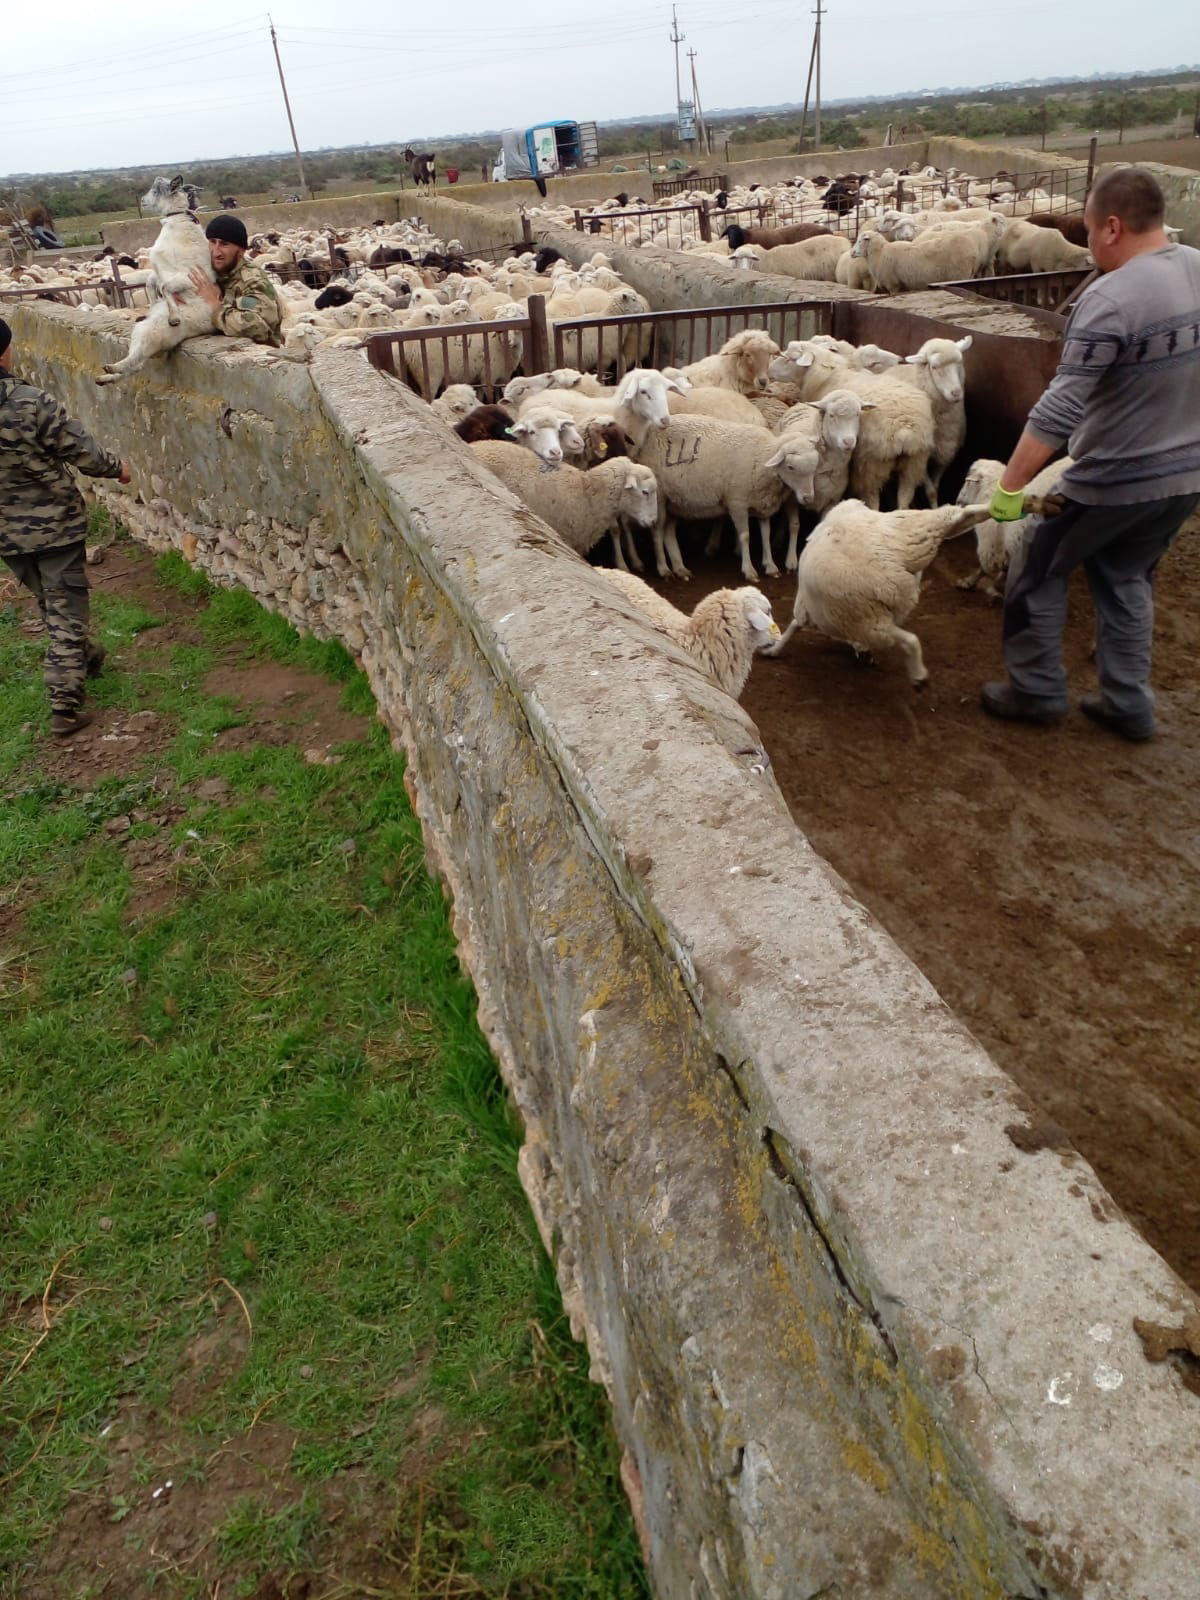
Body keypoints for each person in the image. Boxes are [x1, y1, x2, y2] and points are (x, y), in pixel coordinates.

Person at [980, 167, 1200, 742]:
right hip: (1186, 477)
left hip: (1115, 477)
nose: (1085, 242)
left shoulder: (1108, 299)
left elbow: (1059, 410)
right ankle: (1129, 702)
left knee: (1038, 566)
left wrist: (1009, 488)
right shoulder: (1199, 268)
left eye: (1086, 230)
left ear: (1111, 225)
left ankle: (1035, 691)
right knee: (1126, 574)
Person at [0, 318, 131, 738]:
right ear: (4, 352)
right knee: (63, 612)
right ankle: (64, 705)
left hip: (8, 538)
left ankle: (87, 657)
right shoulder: (30, 402)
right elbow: (82, 451)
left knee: (55, 604)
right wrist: (118, 469)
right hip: (54, 527)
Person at [185, 214, 283, 348]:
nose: (216, 251)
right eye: (213, 242)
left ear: (241, 251)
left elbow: (258, 328)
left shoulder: (252, 281)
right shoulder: (208, 274)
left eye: (224, 244)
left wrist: (215, 307)